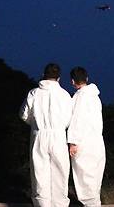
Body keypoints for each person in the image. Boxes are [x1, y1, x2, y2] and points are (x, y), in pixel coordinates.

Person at [19, 63, 73, 207]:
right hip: (59, 136)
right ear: (59, 78)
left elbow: (24, 115)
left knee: (39, 173)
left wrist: (36, 125)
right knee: (60, 173)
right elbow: (68, 119)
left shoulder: (34, 93)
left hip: (39, 135)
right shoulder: (65, 95)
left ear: (43, 75)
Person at [68, 66, 106, 207]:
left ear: (72, 81)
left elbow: (77, 119)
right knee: (94, 179)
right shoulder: (95, 96)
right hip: (97, 142)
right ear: (87, 78)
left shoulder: (80, 97)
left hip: (84, 142)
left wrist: (73, 141)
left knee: (85, 179)